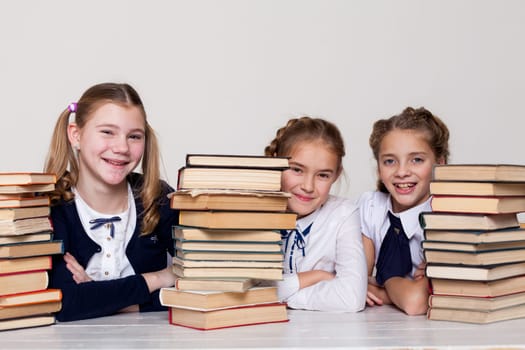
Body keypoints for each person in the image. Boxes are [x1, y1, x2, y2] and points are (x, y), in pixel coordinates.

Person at [44, 82, 178, 321]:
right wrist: (159, 278)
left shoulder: (157, 198)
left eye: (134, 136)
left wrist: (100, 298)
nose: (121, 148)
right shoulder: (52, 206)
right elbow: (65, 303)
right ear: (76, 135)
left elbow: (200, 284)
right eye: (107, 132)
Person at [264, 116, 367, 312]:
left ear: (336, 175)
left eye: (323, 175)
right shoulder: (249, 210)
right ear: (275, 162)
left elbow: (351, 298)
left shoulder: (343, 214)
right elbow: (240, 291)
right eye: (297, 170)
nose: (308, 186)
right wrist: (315, 277)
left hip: (320, 333)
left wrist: (280, 296)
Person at [358, 106, 450, 315]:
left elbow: (414, 303)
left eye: (416, 159)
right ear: (379, 168)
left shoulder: (447, 218)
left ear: (440, 163)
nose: (401, 172)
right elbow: (355, 283)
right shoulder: (371, 207)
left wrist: (385, 282)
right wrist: (398, 291)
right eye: (390, 161)